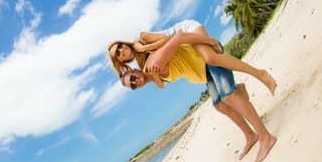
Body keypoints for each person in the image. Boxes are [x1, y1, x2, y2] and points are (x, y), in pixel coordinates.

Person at [120, 31, 277, 162]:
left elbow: (178, 37)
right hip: (203, 72)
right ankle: (250, 135)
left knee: (230, 96)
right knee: (220, 106)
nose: (135, 82)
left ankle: (266, 138)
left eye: (132, 78)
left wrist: (209, 41)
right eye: (132, 86)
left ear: (135, 70)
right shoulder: (152, 74)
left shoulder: (152, 64)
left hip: (204, 58)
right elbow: (160, 82)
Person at [108, 20, 277, 95]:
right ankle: (240, 89)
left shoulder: (141, 38)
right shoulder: (142, 63)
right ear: (121, 61)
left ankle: (260, 74)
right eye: (118, 54)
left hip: (186, 30)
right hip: (183, 43)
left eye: (120, 46)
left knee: (211, 58)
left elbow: (168, 39)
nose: (121, 50)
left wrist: (144, 47)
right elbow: (159, 83)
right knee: (211, 69)